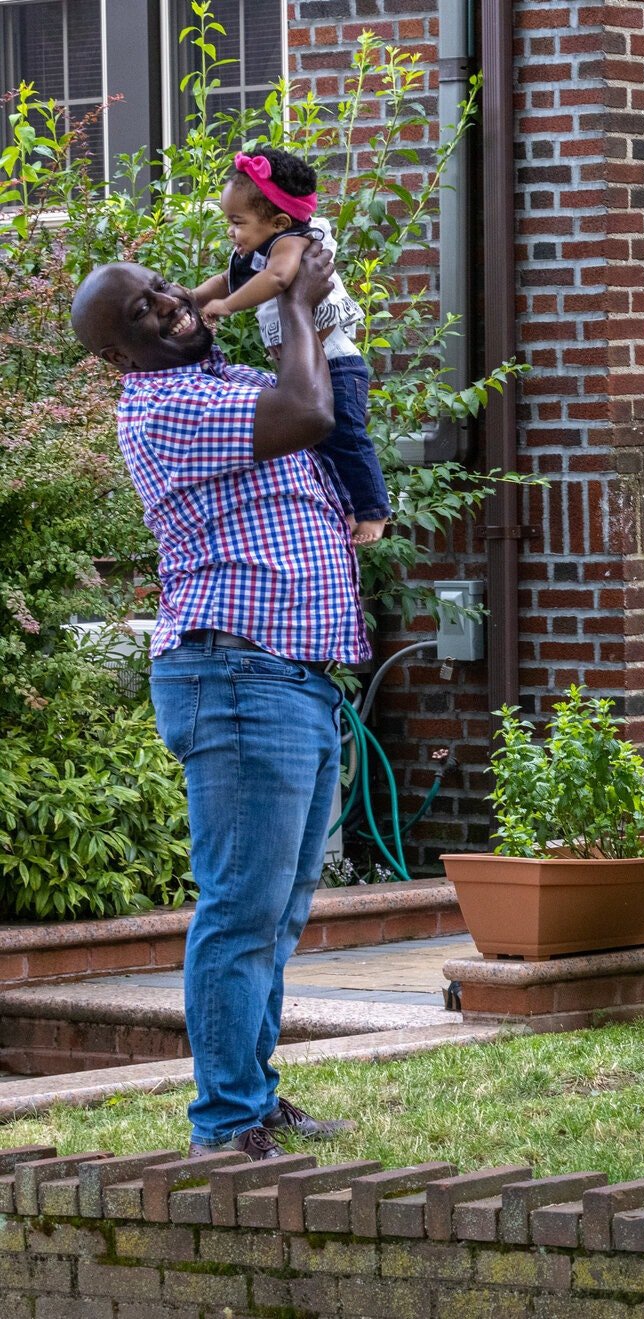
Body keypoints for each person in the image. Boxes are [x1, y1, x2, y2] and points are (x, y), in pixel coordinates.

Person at [71, 244, 364, 1160]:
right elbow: (309, 409)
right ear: (120, 355)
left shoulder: (218, 379)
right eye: (141, 313)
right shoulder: (165, 408)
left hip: (290, 674)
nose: (166, 306)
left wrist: (282, 292)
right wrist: (301, 308)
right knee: (241, 907)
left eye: (162, 288)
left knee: (276, 910)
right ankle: (226, 1120)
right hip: (236, 675)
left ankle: (252, 1094)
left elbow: (326, 391)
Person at [191, 146, 386, 546]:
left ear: (278, 220)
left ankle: (372, 511)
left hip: (337, 365)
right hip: (311, 367)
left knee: (346, 436)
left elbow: (279, 280)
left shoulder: (295, 242)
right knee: (318, 443)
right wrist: (190, 298)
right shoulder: (261, 247)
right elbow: (225, 280)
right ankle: (345, 507)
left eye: (237, 222)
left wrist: (226, 307)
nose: (231, 232)